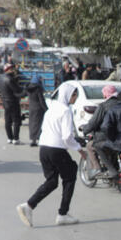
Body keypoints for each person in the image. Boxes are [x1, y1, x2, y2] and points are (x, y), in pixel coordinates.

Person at [17, 83, 83, 227]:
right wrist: (79, 149)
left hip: (44, 148)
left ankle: (28, 206)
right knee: (70, 175)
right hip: (56, 149)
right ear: (68, 95)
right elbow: (67, 137)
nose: (75, 98)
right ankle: (63, 214)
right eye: (74, 95)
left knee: (52, 181)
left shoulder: (51, 109)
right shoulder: (66, 111)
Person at [83, 84, 121, 169]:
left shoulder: (103, 106)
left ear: (105, 94)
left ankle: (97, 168)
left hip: (106, 138)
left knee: (90, 146)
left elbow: (93, 123)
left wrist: (85, 130)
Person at [0, 63, 24, 145]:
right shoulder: (10, 79)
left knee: (8, 121)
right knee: (16, 121)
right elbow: (17, 90)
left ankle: (9, 138)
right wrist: (24, 90)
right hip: (13, 102)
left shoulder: (1, 78)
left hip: (5, 102)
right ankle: (16, 139)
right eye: (12, 68)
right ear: (9, 69)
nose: (14, 70)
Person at [27, 78, 48, 147]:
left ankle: (33, 139)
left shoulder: (29, 88)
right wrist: (47, 109)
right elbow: (42, 101)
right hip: (38, 109)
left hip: (31, 108)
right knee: (38, 124)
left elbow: (21, 94)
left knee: (32, 123)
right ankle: (35, 139)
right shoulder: (38, 89)